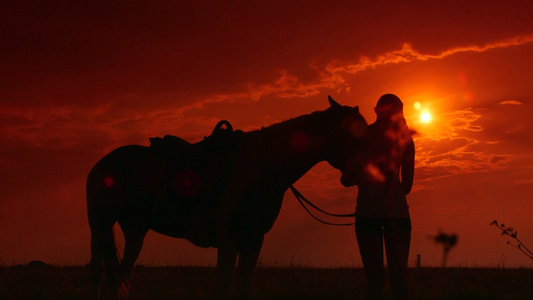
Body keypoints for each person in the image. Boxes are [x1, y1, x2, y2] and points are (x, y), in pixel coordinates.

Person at [355, 94, 415, 300]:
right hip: (396, 214)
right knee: (399, 280)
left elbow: (348, 177)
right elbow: (407, 184)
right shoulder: (405, 139)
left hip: (366, 212)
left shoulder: (363, 137)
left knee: (374, 282)